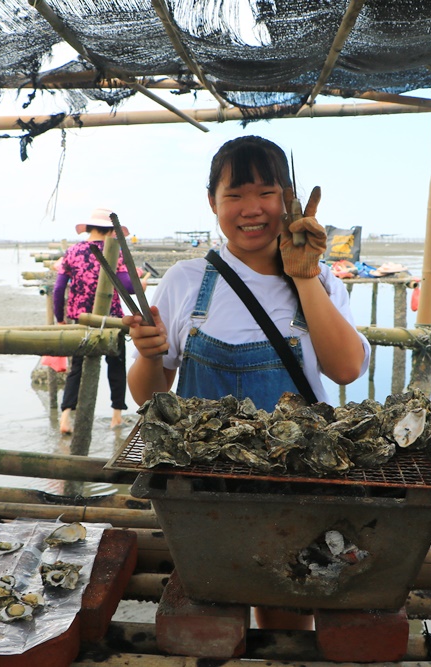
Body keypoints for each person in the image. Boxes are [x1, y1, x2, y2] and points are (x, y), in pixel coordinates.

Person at [124, 135, 370, 629]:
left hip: (298, 483)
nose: (250, 209)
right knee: (215, 615)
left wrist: (304, 276)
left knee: (287, 614)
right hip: (202, 486)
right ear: (212, 202)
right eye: (234, 195)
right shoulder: (186, 280)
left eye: (266, 192)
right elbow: (149, 398)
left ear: (290, 198)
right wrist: (149, 355)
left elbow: (345, 370)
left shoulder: (320, 284)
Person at [54, 207, 146, 431]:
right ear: (109, 231)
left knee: (77, 368)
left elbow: (58, 289)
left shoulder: (73, 252)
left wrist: (60, 318)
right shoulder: (114, 252)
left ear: (90, 228)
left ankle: (65, 417)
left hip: (81, 321)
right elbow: (126, 286)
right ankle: (116, 416)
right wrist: (140, 285)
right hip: (111, 320)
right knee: (116, 365)